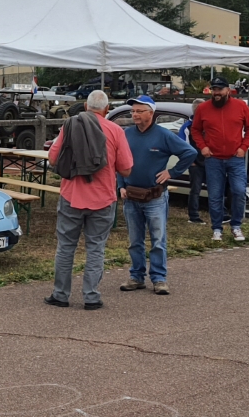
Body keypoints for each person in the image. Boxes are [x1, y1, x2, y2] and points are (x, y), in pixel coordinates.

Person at [45, 89, 133, 310]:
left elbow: (53, 158)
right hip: (103, 198)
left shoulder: (69, 126)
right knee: (95, 248)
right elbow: (126, 169)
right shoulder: (115, 131)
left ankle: (60, 294)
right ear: (107, 109)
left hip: (71, 196)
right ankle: (91, 297)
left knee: (66, 247)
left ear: (85, 106)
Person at [118, 95, 196, 295]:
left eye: (139, 111)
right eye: (133, 111)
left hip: (155, 197)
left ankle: (159, 278)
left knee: (158, 240)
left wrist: (172, 172)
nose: (134, 114)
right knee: (134, 241)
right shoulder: (126, 134)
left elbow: (190, 153)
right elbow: (118, 161)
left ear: (150, 113)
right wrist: (120, 186)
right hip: (131, 196)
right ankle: (136, 276)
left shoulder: (164, 135)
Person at [192, 76, 249, 243]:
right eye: (214, 89)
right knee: (215, 195)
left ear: (228, 90)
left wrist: (243, 147)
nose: (216, 92)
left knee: (239, 191)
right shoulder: (203, 108)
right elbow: (195, 130)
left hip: (235, 158)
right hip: (213, 159)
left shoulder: (240, 106)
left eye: (220, 89)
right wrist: (203, 147)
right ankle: (217, 228)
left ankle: (236, 226)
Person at [179, 98, 206, 223]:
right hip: (196, 164)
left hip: (210, 161)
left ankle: (222, 214)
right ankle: (193, 216)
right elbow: (182, 146)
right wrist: (191, 162)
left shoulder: (208, 123)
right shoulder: (187, 127)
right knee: (195, 190)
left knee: (216, 188)